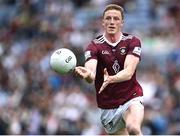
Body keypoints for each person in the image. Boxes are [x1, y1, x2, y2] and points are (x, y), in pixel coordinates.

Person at [75, 4, 144, 135]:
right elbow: (91, 75)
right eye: (108, 18)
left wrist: (111, 78)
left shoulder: (132, 41)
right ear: (103, 21)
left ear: (122, 22)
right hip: (108, 106)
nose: (112, 22)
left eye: (116, 19)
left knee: (133, 128)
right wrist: (87, 74)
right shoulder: (94, 46)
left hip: (131, 97)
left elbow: (129, 72)